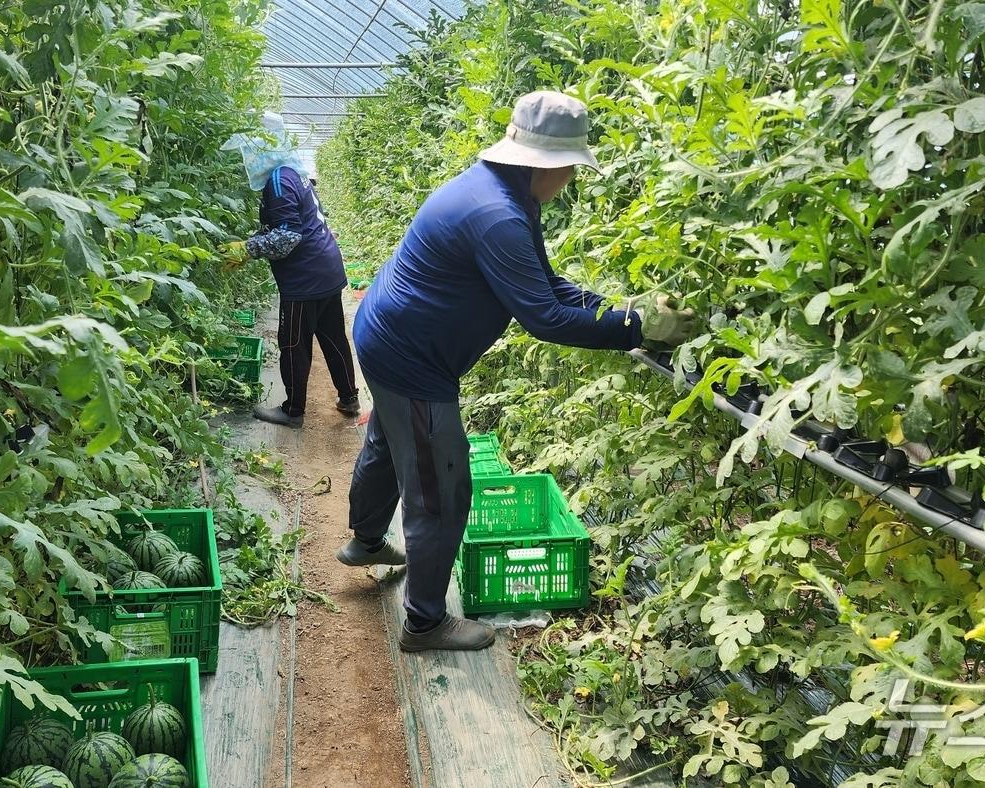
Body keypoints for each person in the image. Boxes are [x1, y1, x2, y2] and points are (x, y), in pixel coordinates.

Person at [338, 91, 697, 652]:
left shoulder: (503, 193)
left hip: (388, 336)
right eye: (571, 169)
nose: (572, 181)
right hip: (410, 358)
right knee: (441, 488)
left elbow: (546, 283)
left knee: (389, 443)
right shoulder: (497, 215)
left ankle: (365, 541)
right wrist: (637, 331)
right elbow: (546, 317)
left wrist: (624, 309)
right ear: (548, 164)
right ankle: (425, 624)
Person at [237, 132, 360, 427]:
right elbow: (291, 225)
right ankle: (349, 398)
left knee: (293, 343)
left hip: (304, 279)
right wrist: (255, 241)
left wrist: (248, 248)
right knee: (333, 336)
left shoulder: (278, 182)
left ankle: (293, 411)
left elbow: (288, 236)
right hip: (326, 269)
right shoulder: (293, 174)